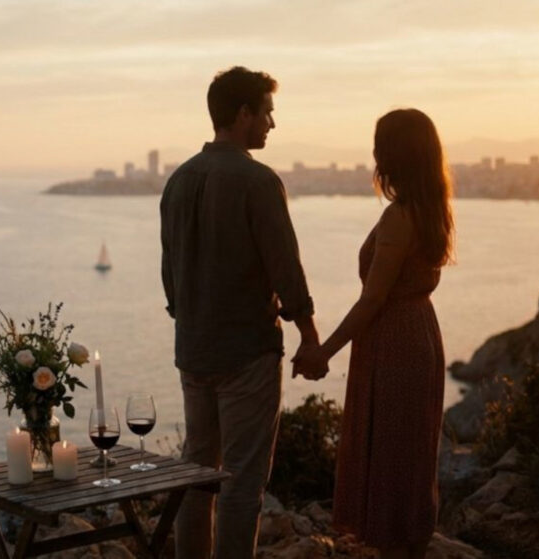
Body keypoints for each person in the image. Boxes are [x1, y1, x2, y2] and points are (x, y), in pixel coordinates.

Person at [160, 66, 323, 559]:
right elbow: (286, 271)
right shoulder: (257, 181)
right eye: (267, 112)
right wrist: (310, 337)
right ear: (243, 113)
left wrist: (190, 318)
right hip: (246, 357)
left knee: (197, 474)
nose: (272, 124)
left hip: (193, 353)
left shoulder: (178, 181)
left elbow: (170, 275)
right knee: (241, 484)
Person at [294, 108, 454, 559]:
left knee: (387, 448)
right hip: (421, 333)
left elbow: (372, 300)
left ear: (393, 154)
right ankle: (407, 537)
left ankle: (389, 542)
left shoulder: (399, 218)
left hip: (395, 343)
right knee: (409, 448)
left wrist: (322, 351)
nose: (373, 154)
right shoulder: (430, 209)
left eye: (379, 144)